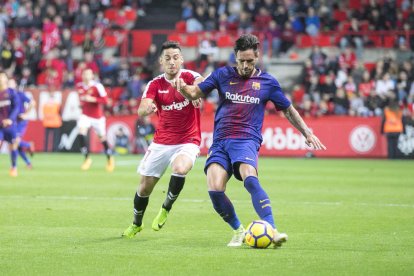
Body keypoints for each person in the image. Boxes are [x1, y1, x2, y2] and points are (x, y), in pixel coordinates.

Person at [173, 34, 326, 247]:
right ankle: (238, 230)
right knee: (215, 188)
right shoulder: (222, 75)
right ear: (235, 57)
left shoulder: (268, 82)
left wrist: (307, 132)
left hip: (246, 139)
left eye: (250, 61)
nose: (245, 65)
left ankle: (271, 229)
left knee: (249, 175)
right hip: (220, 141)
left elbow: (288, 110)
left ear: (257, 57)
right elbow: (194, 92)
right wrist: (183, 89)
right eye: (241, 60)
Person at [122, 41, 204, 238]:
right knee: (144, 188)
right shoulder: (155, 84)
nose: (172, 62)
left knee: (180, 168)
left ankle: (166, 207)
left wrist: (196, 93)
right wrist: (146, 109)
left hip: (188, 139)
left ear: (182, 59)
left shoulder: (190, 77)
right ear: (161, 61)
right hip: (162, 142)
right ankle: (136, 223)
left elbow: (202, 84)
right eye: (167, 58)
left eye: (176, 57)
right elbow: (141, 108)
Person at [76, 68, 114, 172]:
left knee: (102, 138)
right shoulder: (79, 86)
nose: (86, 76)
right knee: (81, 132)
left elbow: (106, 100)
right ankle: (87, 159)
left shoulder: (98, 86)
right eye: (84, 73)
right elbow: (82, 98)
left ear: (92, 76)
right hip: (85, 115)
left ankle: (110, 158)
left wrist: (93, 99)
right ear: (82, 75)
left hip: (97, 117)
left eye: (88, 74)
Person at [9, 78, 36, 168]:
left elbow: (32, 103)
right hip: (12, 121)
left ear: (15, 85)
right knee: (15, 145)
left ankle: (28, 145)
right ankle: (28, 163)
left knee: (15, 142)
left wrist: (25, 114)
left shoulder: (19, 94)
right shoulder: (5, 95)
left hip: (20, 121)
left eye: (11, 83)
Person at [0, 71, 20, 177]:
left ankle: (14, 167)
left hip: (10, 125)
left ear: (6, 79)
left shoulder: (11, 92)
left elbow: (16, 107)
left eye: (2, 77)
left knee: (13, 146)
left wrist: (10, 119)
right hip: (0, 126)